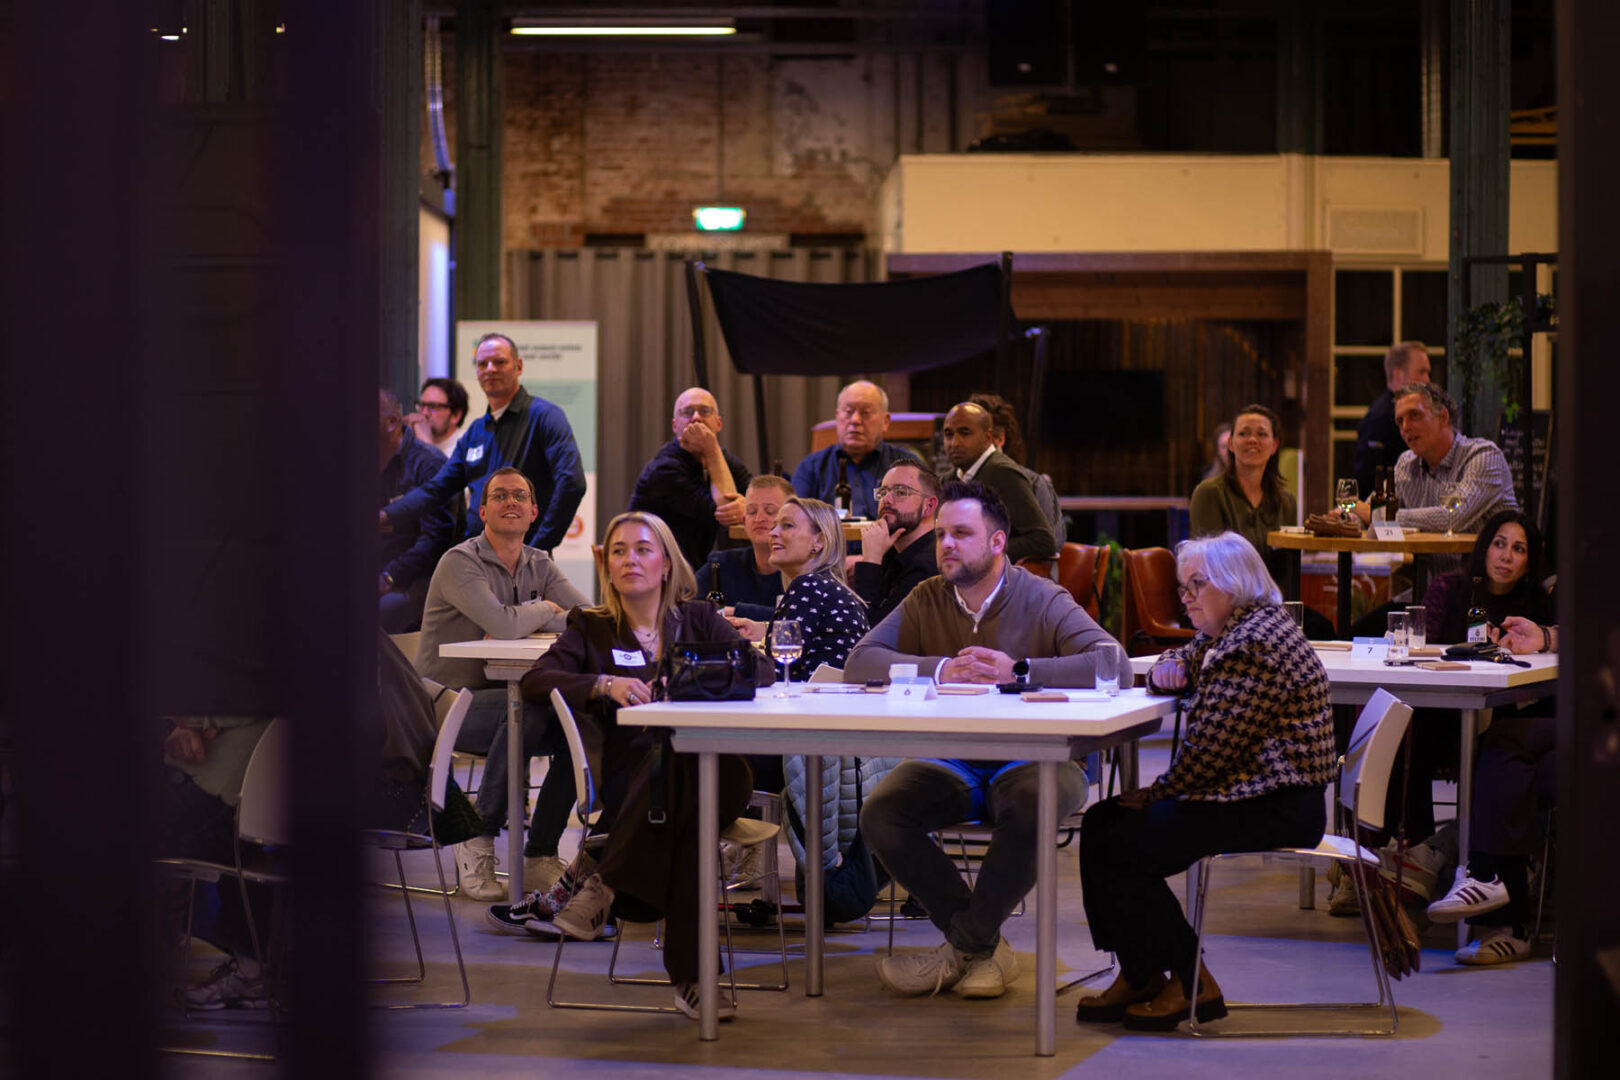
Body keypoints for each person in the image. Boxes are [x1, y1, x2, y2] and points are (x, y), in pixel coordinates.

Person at [848, 481, 1122, 1000]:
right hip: (954, 757)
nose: (946, 544)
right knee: (881, 813)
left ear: (998, 542)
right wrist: (940, 669)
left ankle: (964, 947)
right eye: (941, 535)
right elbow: (860, 662)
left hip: (1042, 756)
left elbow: (1113, 663)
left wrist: (1019, 670)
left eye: (961, 533)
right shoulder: (926, 596)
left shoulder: (1042, 597)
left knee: (1034, 802)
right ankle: (984, 949)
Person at [518, 511, 775, 1017]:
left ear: (666, 564)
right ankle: (697, 982)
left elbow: (760, 669)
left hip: (722, 771)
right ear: (607, 566)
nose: (629, 559)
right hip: (635, 780)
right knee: (690, 829)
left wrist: (686, 683)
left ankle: (606, 881)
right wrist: (603, 684)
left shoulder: (698, 618)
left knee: (682, 748)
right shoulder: (591, 627)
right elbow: (535, 680)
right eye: (618, 551)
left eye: (642, 549)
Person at [1075, 532, 1335, 1030]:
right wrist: (1169, 667)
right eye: (1183, 586)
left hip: (1276, 804)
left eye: (1197, 585)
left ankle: (1191, 979)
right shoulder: (1235, 629)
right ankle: (1142, 973)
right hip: (1253, 793)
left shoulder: (1253, 644)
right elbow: (1182, 657)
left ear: (1235, 584)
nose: (1186, 598)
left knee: (1120, 839)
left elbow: (1210, 755)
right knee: (1104, 823)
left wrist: (1154, 794)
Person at [414, 466, 590, 900]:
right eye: (499, 496)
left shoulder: (540, 562)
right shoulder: (460, 562)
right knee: (526, 707)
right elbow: (503, 625)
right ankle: (476, 835)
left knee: (581, 722)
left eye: (519, 496)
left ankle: (539, 854)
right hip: (445, 705)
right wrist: (543, 610)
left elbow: (587, 618)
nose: (510, 502)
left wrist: (527, 617)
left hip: (505, 698)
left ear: (533, 511)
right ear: (482, 511)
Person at [381, 332, 587, 553]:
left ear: (518, 366)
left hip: (522, 561)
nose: (490, 369)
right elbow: (437, 489)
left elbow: (572, 483)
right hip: (477, 558)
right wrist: (387, 514)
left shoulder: (544, 416)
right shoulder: (476, 431)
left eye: (499, 362)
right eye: (482, 364)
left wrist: (538, 549)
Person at [1352, 382, 1518, 544]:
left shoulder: (1484, 457)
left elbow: (1452, 517)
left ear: (1443, 417)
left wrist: (1382, 515)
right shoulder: (1406, 462)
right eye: (1400, 421)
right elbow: (1368, 510)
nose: (1405, 427)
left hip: (1478, 564)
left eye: (1414, 415)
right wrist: (1347, 519)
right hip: (1422, 562)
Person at [727, 497, 870, 683]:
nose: (773, 533)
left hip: (815, 700)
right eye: (775, 526)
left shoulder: (809, 585)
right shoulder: (825, 587)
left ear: (819, 541)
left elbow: (777, 671)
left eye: (787, 525)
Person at [628, 386, 751, 573]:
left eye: (704, 411)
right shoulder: (665, 469)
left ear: (718, 424)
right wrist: (712, 449)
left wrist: (748, 506)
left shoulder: (723, 459)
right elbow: (725, 512)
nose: (696, 418)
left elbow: (756, 496)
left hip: (690, 570)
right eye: (687, 413)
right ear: (674, 426)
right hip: (653, 572)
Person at [1188, 404, 1296, 584]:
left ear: (1274, 446)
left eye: (1262, 434)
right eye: (1243, 433)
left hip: (1273, 598)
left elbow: (1288, 569)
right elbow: (1209, 566)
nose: (1252, 440)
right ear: (1231, 444)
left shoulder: (1286, 502)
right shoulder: (1209, 493)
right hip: (1224, 596)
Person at [939, 401, 1055, 565]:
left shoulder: (1003, 473)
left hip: (999, 578)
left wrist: (983, 551)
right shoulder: (948, 479)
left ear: (988, 437)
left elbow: (1042, 541)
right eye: (948, 434)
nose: (954, 443)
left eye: (965, 433)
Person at [378, 388, 453, 633]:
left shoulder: (428, 462)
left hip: (414, 578)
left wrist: (390, 575)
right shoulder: (358, 461)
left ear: (391, 422)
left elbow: (436, 539)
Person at [791, 380, 921, 520]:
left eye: (866, 412)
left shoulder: (907, 466)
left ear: (885, 421)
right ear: (837, 417)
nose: (855, 420)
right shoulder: (811, 468)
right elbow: (795, 520)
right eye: (848, 412)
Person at [849, 460, 939, 626]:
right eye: (883, 492)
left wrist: (870, 561)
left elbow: (869, 632)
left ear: (929, 506)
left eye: (900, 492)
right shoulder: (893, 552)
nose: (887, 499)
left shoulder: (928, 566)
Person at [695, 474, 790, 621]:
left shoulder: (807, 570)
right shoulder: (720, 564)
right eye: (752, 511)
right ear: (744, 521)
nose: (759, 518)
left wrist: (734, 611)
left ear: (790, 521)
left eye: (770, 511)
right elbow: (685, 606)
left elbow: (801, 618)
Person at [1354, 342, 1431, 497]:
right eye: (1421, 372)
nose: (1427, 380)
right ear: (1398, 374)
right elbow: (1367, 478)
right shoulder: (1380, 418)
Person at [406, 376, 470, 457]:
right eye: (422, 405)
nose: (424, 413)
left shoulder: (468, 446)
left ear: (455, 416)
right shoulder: (415, 442)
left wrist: (427, 445)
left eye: (433, 407)